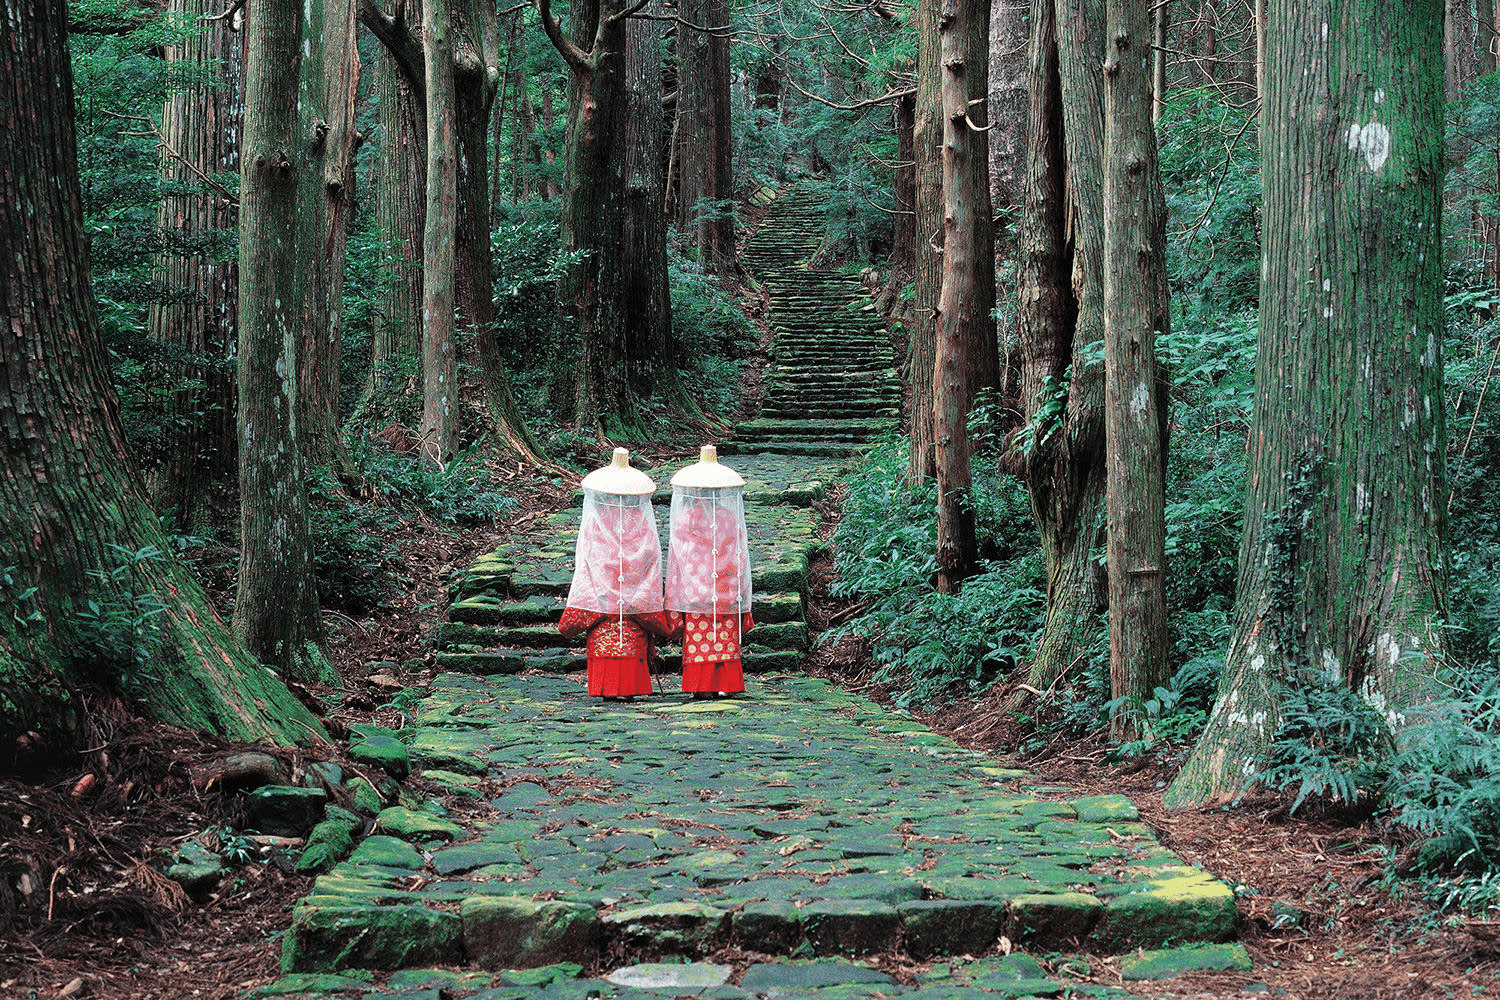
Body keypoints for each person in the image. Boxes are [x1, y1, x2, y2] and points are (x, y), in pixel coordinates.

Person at [558, 449, 668, 700]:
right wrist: (633, 586)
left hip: (600, 598)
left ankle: (607, 687)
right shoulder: (640, 520)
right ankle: (628, 689)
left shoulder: (595, 520)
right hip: (634, 596)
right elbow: (649, 554)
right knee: (631, 634)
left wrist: (602, 586)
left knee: (605, 635)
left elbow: (588, 557)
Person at [665, 446, 753, 698]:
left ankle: (701, 685)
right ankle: (725, 683)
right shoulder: (729, 517)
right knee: (723, 636)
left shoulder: (686, 517)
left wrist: (679, 586)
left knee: (700, 638)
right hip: (725, 587)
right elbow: (737, 553)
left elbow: (680, 555)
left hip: (695, 590)